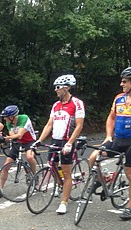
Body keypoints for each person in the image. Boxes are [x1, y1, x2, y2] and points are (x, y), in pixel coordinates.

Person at [88, 66, 131, 220]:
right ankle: (103, 179)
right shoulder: (119, 98)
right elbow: (111, 117)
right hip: (117, 140)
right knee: (93, 157)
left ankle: (129, 208)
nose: (121, 84)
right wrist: (108, 135)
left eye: (125, 81)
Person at [33, 74, 85, 214]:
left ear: (67, 88)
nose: (56, 90)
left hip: (67, 140)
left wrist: (70, 143)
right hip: (55, 140)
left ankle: (64, 202)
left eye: (58, 88)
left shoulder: (77, 103)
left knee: (66, 172)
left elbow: (79, 126)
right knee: (53, 165)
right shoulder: (56, 105)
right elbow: (49, 125)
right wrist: (39, 140)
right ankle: (60, 185)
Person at [0, 105, 37, 199]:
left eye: (6, 117)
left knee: (30, 157)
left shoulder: (24, 118)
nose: (4, 119)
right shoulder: (9, 122)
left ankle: (34, 175)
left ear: (12, 116)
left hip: (29, 141)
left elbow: (19, 135)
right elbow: (13, 135)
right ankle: (0, 189)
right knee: (6, 165)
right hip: (18, 142)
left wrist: (5, 138)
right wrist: (3, 139)